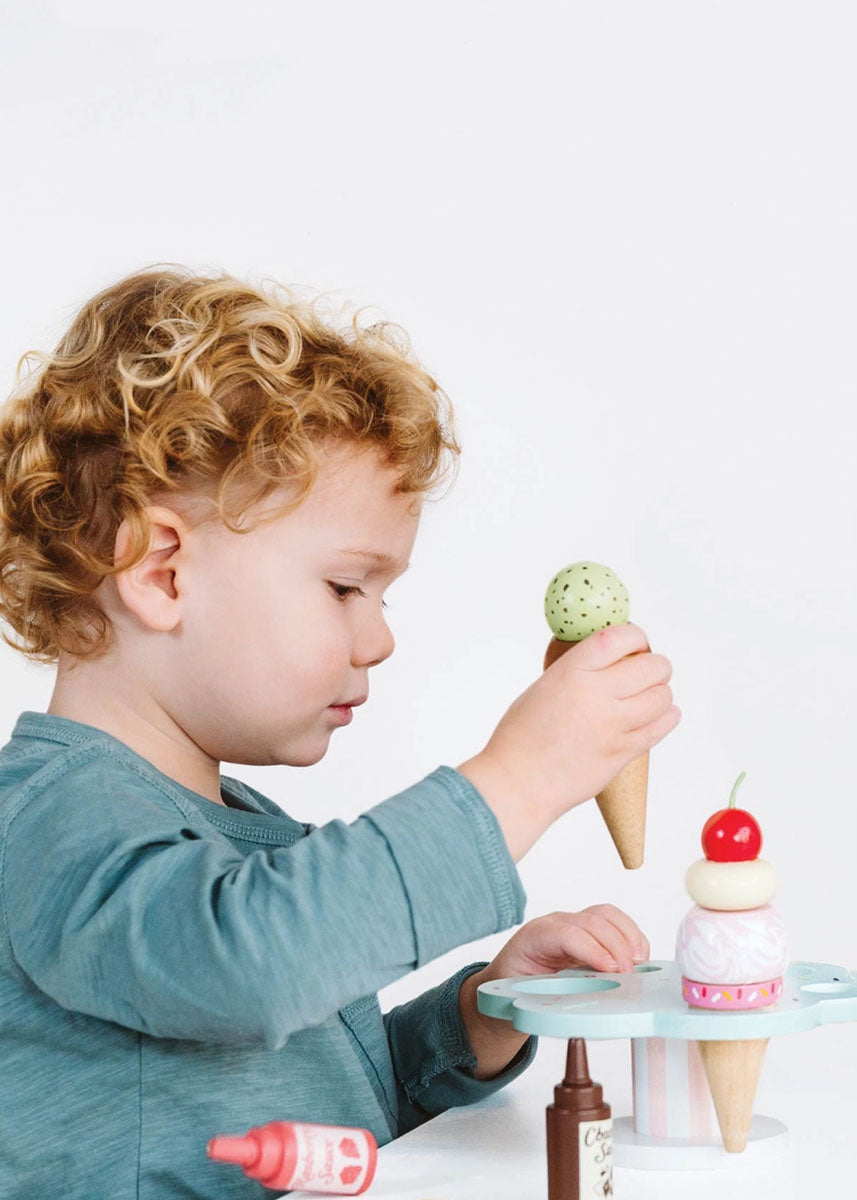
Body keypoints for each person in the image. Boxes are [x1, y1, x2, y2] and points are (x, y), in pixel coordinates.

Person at [0, 266, 680, 1198]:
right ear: (162, 573)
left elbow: (311, 1112)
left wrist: (472, 1019)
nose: (380, 638)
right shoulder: (52, 824)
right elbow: (247, 969)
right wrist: (521, 777)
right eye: (344, 587)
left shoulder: (226, 822)